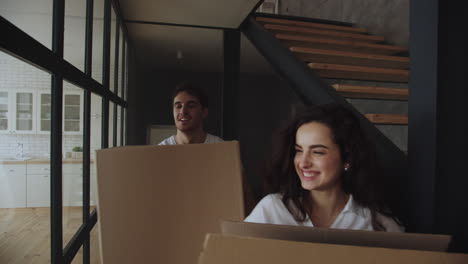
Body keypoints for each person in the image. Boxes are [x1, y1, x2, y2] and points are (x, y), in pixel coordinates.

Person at [245, 103, 403, 232]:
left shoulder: (377, 224)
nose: (303, 162)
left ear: (347, 158)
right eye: (299, 151)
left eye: (317, 152)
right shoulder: (272, 210)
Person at [159, 82, 223, 145]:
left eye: (191, 106)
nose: (183, 111)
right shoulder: (160, 151)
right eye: (178, 106)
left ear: (204, 112)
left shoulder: (222, 147)